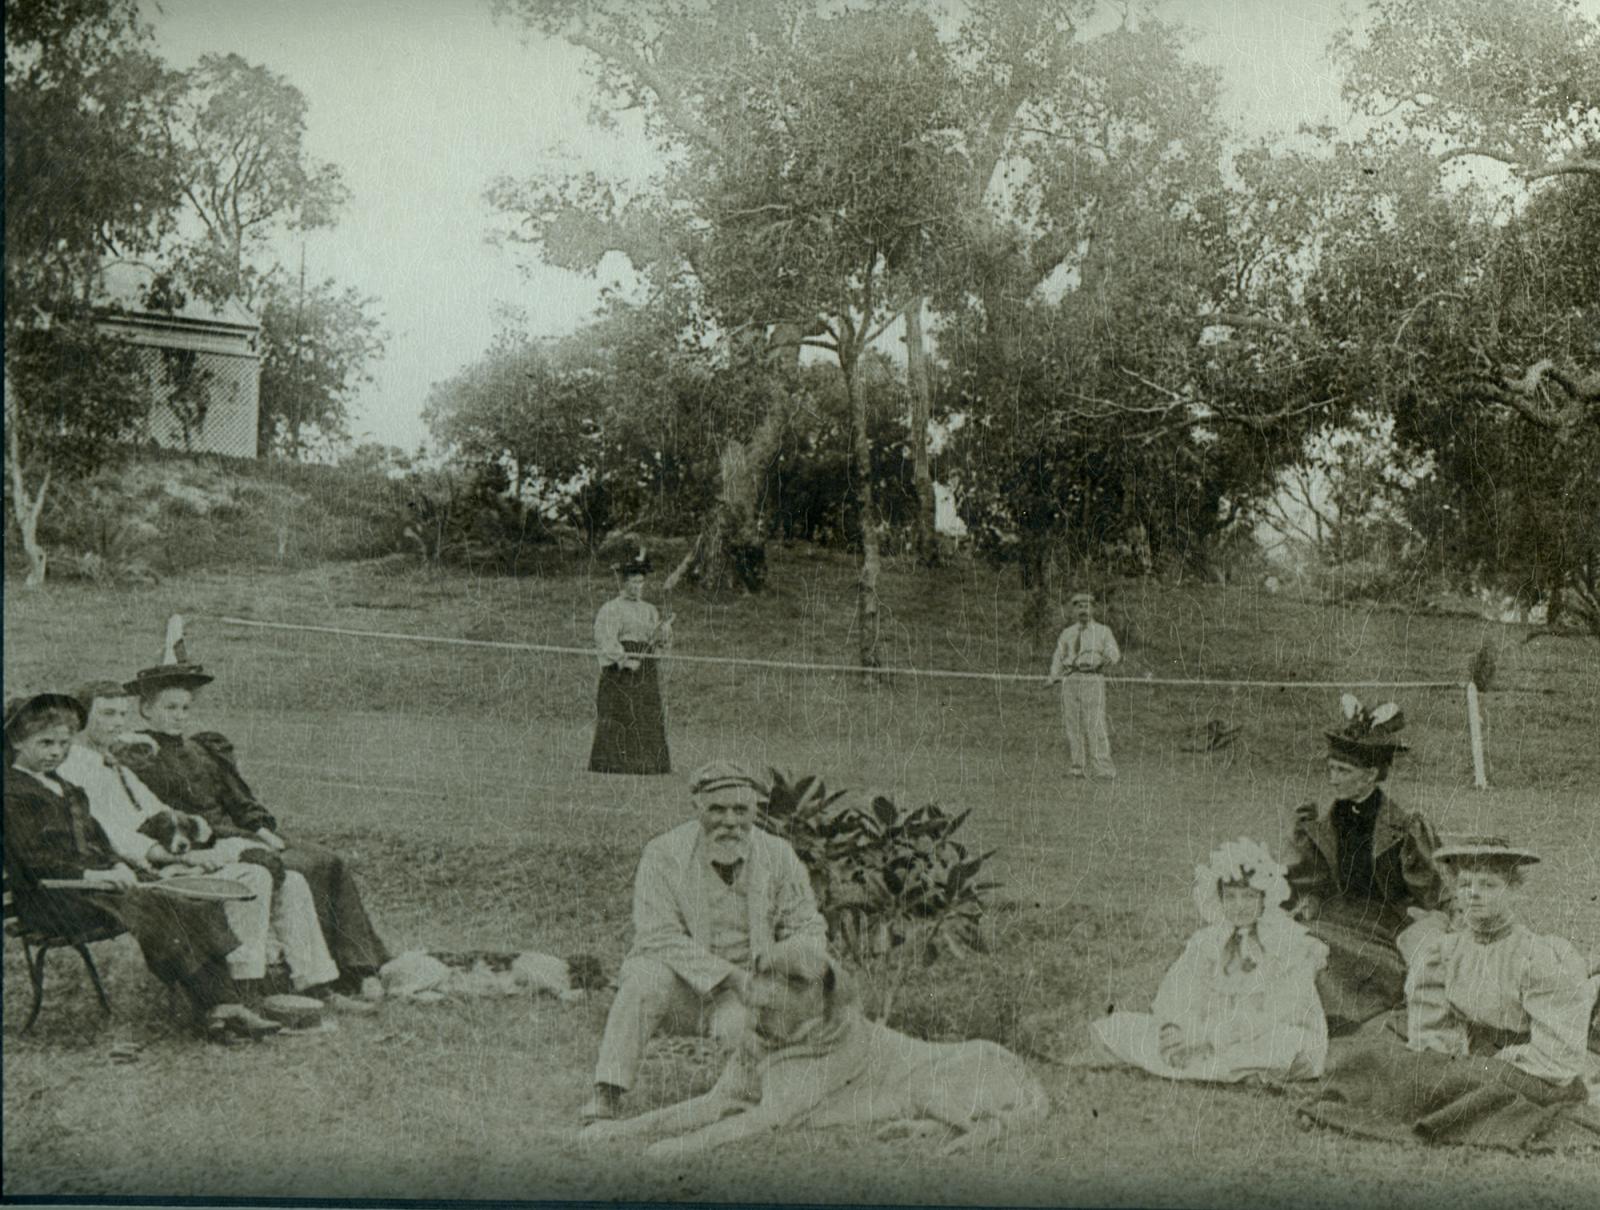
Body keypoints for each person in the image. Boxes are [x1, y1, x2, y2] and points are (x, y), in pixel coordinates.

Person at [3, 693, 280, 1039]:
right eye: (45, 743)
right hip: (53, 899)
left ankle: (221, 1004)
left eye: (63, 743)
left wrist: (119, 866)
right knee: (161, 905)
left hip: (95, 889)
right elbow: (33, 859)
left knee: (186, 898)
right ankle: (216, 1005)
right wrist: (92, 874)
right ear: (16, 740)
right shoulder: (13, 793)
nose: (56, 753)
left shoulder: (67, 788)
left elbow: (100, 841)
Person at [1300, 836, 1600, 1150]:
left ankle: (1448, 1111)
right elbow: (1432, 1026)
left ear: (1513, 890)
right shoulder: (1446, 950)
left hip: (1532, 1070)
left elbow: (1557, 1053)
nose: (1474, 894)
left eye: (1488, 885)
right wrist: (1444, 1055)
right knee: (1378, 1058)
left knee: (1466, 1081)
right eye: (1465, 884)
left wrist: (1483, 1062)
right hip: (1467, 1059)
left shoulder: (1538, 956)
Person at [119, 660, 390, 991]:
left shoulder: (202, 749)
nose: (179, 715)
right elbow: (155, 815)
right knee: (298, 869)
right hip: (203, 841)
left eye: (185, 707)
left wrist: (262, 830)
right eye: (169, 707)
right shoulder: (141, 754)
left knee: (327, 860)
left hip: (240, 833)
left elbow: (237, 799)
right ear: (146, 710)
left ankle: (359, 966)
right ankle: (312, 975)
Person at [581, 760, 827, 1122]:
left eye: (740, 810)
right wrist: (731, 977)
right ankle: (608, 1090)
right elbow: (658, 936)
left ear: (756, 810)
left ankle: (751, 1098)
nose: (729, 821)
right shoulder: (664, 854)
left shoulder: (778, 856)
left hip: (748, 991)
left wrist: (786, 975)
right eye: (717, 809)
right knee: (645, 976)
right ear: (697, 808)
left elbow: (808, 925)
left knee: (741, 1037)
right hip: (680, 990)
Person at [60, 681, 341, 997]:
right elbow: (114, 836)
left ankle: (315, 984)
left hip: (166, 856)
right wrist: (184, 857)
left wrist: (194, 826)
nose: (118, 723)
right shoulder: (75, 769)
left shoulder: (113, 763)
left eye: (123, 714)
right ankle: (243, 985)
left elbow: (156, 808)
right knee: (253, 876)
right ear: (80, 718)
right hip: (138, 871)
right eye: (107, 713)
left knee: (291, 881)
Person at [1091, 838, 1329, 1083]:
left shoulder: (1286, 944)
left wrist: (1209, 1039)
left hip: (1259, 1033)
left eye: (1248, 897)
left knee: (1287, 1044)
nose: (1239, 907)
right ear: (1220, 899)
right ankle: (1222, 1066)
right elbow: (1179, 990)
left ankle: (1228, 1065)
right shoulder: (1209, 941)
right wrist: (1176, 1030)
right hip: (1207, 1031)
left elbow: (1276, 1014)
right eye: (1231, 897)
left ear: (1263, 899)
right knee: (1120, 1027)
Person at [1284, 695, 1450, 1035]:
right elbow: (1300, 882)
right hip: (1330, 917)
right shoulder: (1319, 823)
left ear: (1371, 774)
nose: (1333, 779)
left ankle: (1337, 1019)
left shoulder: (1404, 828)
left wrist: (1443, 922)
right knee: (1294, 941)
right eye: (1330, 769)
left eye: (1343, 771)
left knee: (1323, 951)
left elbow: (1438, 892)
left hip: (1381, 930)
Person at [589, 549, 673, 775]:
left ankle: (648, 764)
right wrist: (624, 660)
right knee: (621, 712)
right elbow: (605, 639)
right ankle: (614, 763)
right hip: (621, 669)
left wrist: (662, 633)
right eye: (633, 583)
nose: (638, 587)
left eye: (641, 583)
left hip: (644, 666)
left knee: (645, 712)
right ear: (624, 584)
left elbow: (657, 643)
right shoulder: (612, 608)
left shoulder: (649, 610)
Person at [1046, 590, 1121, 779]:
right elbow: (1059, 656)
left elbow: (1114, 654)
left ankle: (1103, 769)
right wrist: (1053, 676)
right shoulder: (1067, 633)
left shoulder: (1103, 631)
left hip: (1092, 679)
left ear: (1093, 609)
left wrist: (1102, 661)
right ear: (1073, 610)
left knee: (1095, 723)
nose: (1083, 610)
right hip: (1071, 679)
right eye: (1079, 607)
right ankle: (1077, 767)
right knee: (1073, 724)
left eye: (1086, 606)